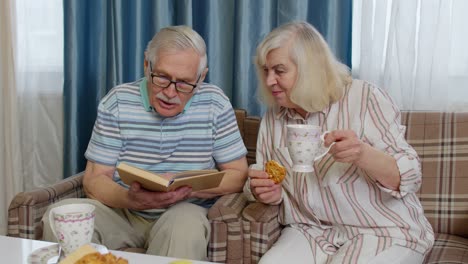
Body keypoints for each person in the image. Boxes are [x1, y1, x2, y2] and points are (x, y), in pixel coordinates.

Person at [42, 25, 248, 261]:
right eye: (161, 77)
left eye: (184, 83)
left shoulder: (215, 104)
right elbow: (95, 180)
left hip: (183, 212)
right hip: (123, 213)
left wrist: (184, 186)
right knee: (56, 215)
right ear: (146, 65)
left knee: (185, 225)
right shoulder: (117, 102)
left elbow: (238, 175)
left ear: (201, 77)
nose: (170, 93)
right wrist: (130, 199)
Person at [244, 21, 434, 264]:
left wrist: (362, 154)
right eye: (265, 71)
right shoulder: (274, 117)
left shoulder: (365, 98)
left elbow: (410, 177)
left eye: (279, 71)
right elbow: (260, 176)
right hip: (310, 231)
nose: (269, 81)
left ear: (310, 68)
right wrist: (264, 192)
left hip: (384, 230)